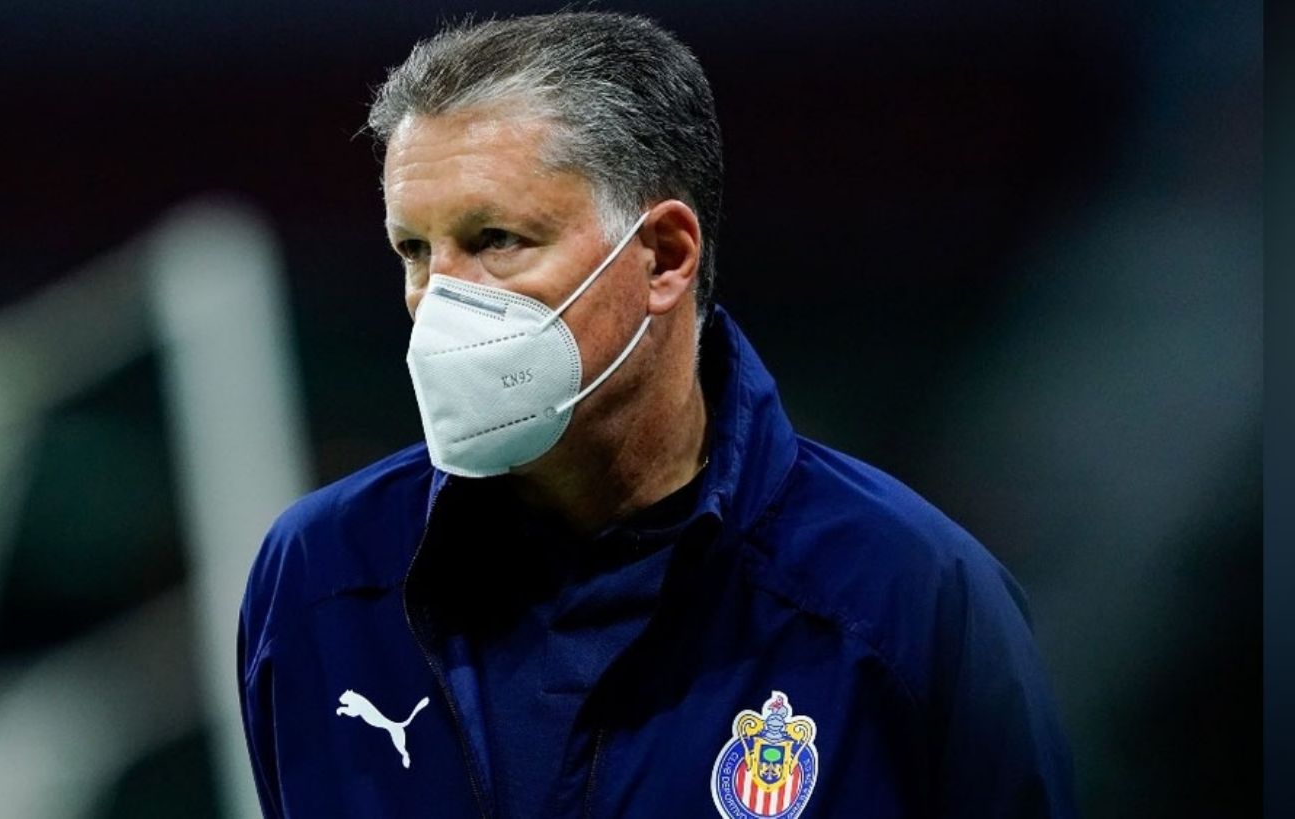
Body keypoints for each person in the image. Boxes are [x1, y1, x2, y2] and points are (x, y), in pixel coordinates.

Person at [237, 12, 1076, 819]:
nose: (439, 302)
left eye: (495, 239)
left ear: (665, 257)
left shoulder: (907, 596)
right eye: (415, 250)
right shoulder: (321, 578)